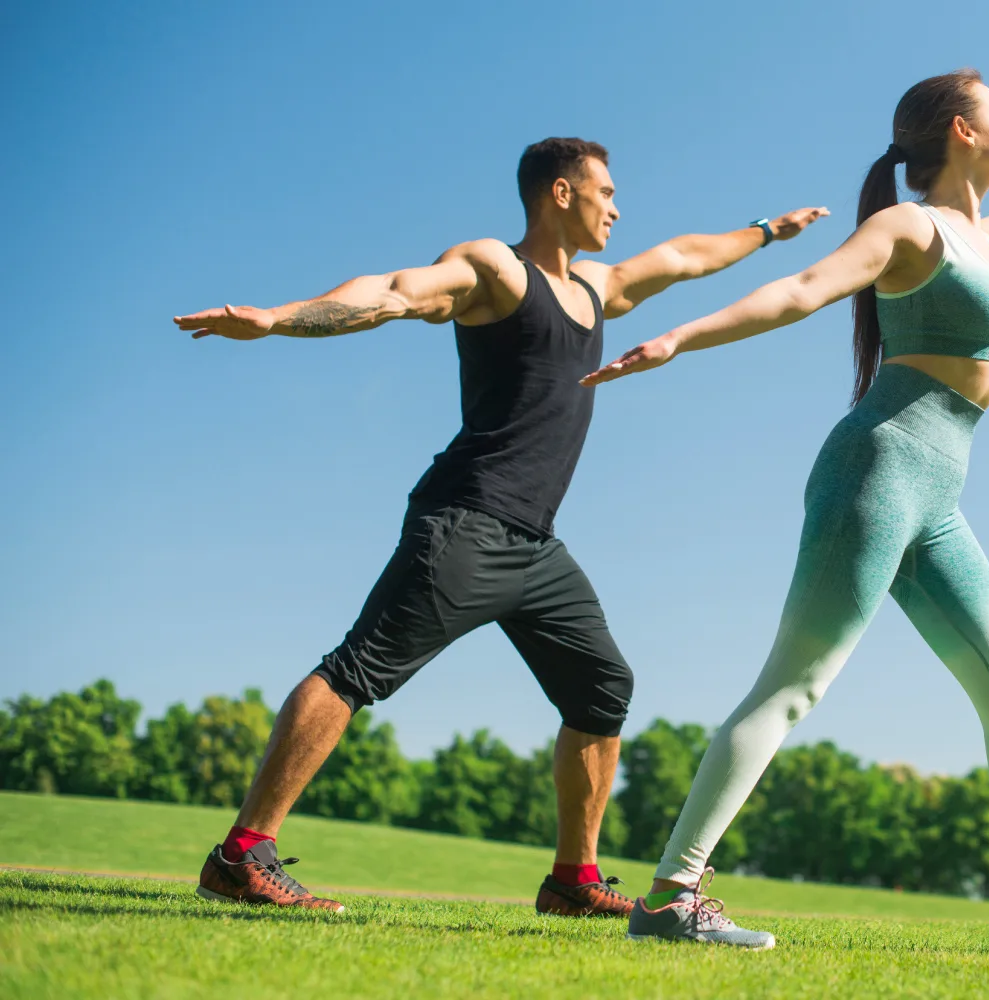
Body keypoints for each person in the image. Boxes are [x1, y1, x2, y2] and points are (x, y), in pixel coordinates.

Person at [582, 70, 989, 957]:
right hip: (877, 469)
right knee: (795, 682)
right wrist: (678, 338)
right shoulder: (908, 228)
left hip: (940, 496)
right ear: (962, 131)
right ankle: (671, 893)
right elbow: (801, 289)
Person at [173, 137, 828, 917]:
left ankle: (572, 883)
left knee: (601, 687)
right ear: (560, 193)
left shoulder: (597, 286)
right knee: (359, 669)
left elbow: (686, 256)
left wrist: (765, 230)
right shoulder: (495, 269)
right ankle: (242, 854)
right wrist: (278, 320)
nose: (616, 208)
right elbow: (391, 291)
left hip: (535, 545)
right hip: (466, 522)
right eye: (605, 193)